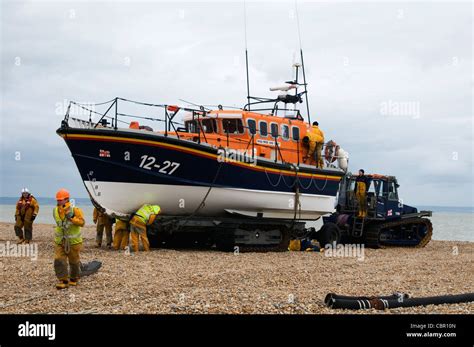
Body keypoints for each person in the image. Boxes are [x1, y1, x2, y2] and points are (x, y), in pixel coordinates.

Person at [52, 189, 85, 290]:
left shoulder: (75, 210)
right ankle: (63, 280)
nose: (58, 202)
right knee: (58, 260)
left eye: (60, 200)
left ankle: (74, 278)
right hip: (60, 241)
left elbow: (82, 223)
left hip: (73, 242)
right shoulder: (55, 211)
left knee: (74, 261)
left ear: (67, 200)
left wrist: (72, 217)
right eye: (57, 200)